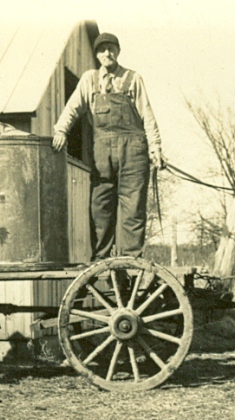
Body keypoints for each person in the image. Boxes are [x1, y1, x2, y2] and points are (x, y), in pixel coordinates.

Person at [52, 32, 166, 260]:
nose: (107, 53)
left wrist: (155, 147)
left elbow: (147, 115)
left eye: (111, 48)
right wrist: (61, 130)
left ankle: (130, 262)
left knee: (133, 210)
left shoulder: (133, 79)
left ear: (118, 51)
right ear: (97, 54)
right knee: (100, 207)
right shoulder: (89, 80)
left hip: (133, 151)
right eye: (102, 49)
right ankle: (102, 260)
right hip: (102, 152)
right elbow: (73, 107)